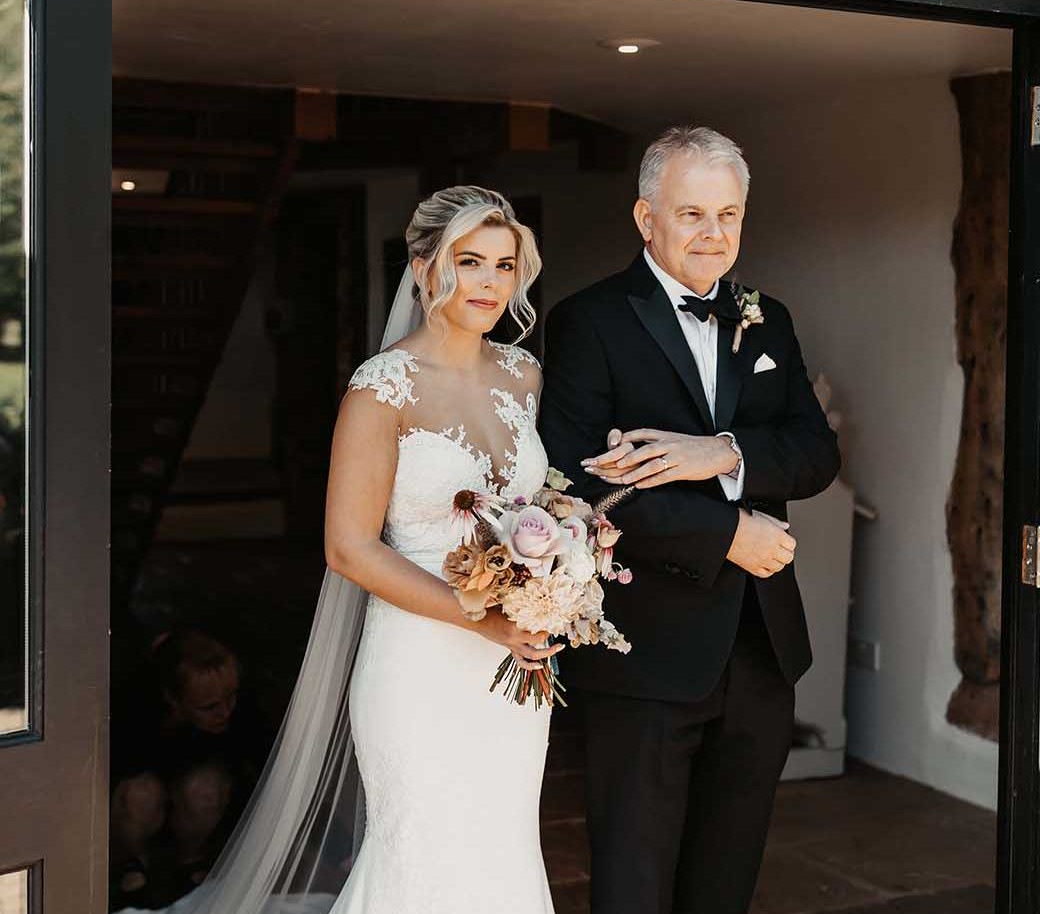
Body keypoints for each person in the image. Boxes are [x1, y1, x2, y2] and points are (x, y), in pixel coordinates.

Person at [119, 186, 558, 914]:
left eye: (504, 265)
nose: (489, 282)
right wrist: (479, 617)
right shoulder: (381, 389)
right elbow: (348, 548)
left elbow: (525, 511)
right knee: (422, 857)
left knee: (503, 847)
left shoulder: (523, 375)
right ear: (425, 267)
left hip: (511, 672)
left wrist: (556, 581)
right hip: (416, 667)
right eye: (470, 261)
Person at [539, 126, 841, 914]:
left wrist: (723, 454)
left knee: (725, 884)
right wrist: (728, 534)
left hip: (761, 650)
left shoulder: (766, 318)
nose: (714, 234)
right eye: (692, 214)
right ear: (647, 219)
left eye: (728, 215)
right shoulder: (588, 321)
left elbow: (816, 454)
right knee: (635, 885)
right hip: (643, 650)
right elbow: (575, 480)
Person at [110, 630, 271, 909]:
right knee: (138, 795)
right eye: (209, 707)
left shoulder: (240, 712)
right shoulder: (137, 707)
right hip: (147, 801)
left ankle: (191, 864)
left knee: (205, 790)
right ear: (173, 700)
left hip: (202, 818)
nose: (225, 712)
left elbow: (266, 766)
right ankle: (130, 867)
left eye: (231, 698)